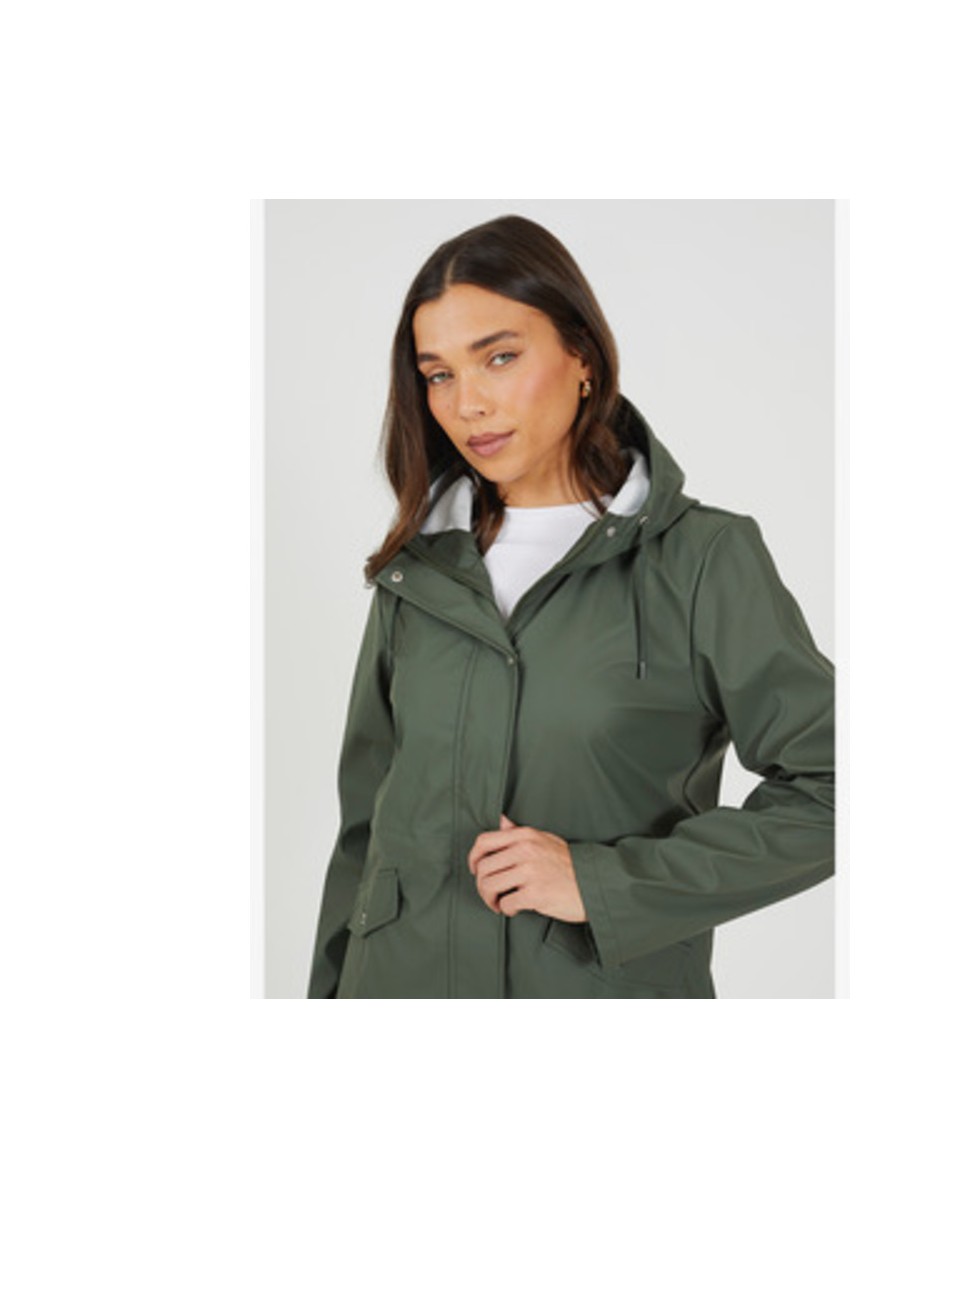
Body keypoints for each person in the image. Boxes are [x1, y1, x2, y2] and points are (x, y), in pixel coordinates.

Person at [307, 213, 835, 999]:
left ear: (582, 356)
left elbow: (834, 790)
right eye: (439, 374)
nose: (467, 403)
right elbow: (363, 838)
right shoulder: (420, 571)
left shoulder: (701, 560)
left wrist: (603, 883)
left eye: (500, 357)